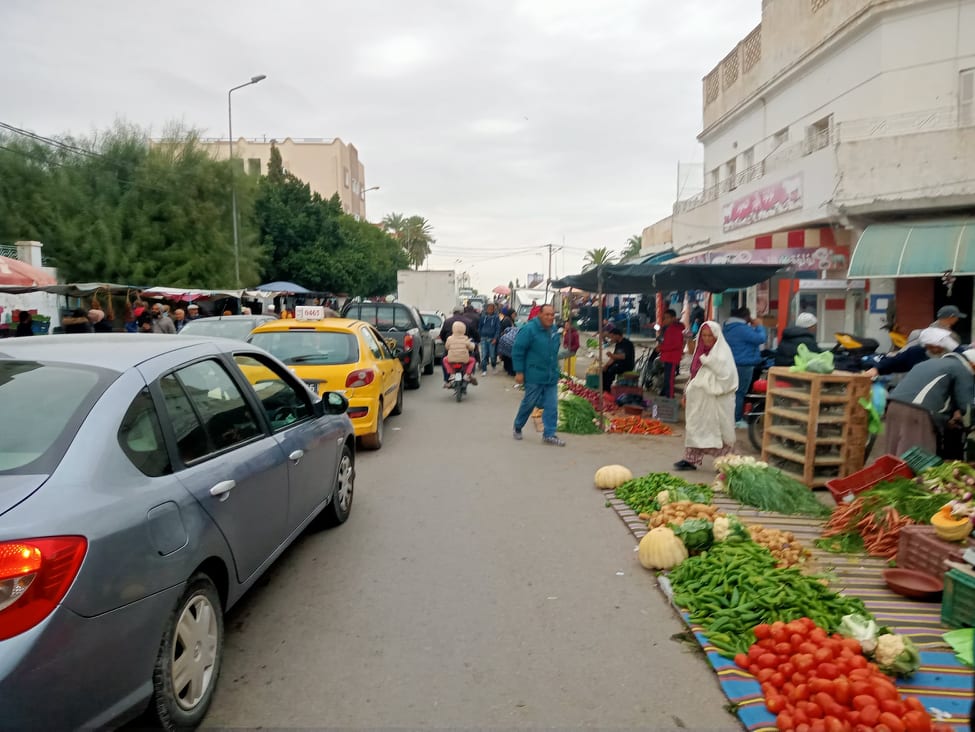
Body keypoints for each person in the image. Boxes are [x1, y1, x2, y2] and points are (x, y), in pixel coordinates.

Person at [885, 349, 975, 457]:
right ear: (972, 364)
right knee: (918, 459)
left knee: (893, 455)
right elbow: (967, 406)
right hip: (918, 410)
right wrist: (969, 424)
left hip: (893, 405)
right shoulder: (962, 369)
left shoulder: (930, 363)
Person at [674, 321, 738, 471]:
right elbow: (693, 375)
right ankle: (690, 459)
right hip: (699, 399)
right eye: (704, 335)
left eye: (710, 335)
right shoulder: (699, 351)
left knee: (719, 429)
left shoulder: (723, 353)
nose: (707, 339)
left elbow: (727, 378)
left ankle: (725, 461)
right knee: (695, 426)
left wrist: (709, 363)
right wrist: (686, 393)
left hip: (717, 401)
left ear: (717, 336)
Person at [512, 303, 565, 446]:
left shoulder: (554, 330)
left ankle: (549, 434)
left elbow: (554, 350)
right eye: (547, 314)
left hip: (550, 375)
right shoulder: (529, 329)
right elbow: (518, 350)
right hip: (534, 374)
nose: (550, 317)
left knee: (552, 405)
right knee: (529, 403)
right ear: (540, 314)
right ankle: (518, 426)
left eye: (552, 315)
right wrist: (519, 371)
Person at [723, 307, 767, 428]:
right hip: (743, 364)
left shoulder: (727, 327)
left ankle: (729, 418)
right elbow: (761, 339)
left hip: (731, 363)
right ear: (746, 317)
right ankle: (736, 420)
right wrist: (759, 326)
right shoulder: (742, 328)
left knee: (731, 392)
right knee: (739, 393)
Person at [863, 327, 958, 377]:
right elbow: (894, 361)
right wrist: (876, 369)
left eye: (938, 347)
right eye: (930, 346)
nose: (935, 350)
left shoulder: (952, 356)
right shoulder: (916, 353)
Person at [657, 309, 685, 398]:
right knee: (667, 379)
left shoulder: (676, 329)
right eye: (664, 318)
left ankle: (670, 398)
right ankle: (667, 397)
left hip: (672, 357)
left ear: (673, 318)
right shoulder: (669, 329)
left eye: (667, 318)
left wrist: (661, 348)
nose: (665, 320)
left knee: (669, 380)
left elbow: (676, 345)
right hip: (667, 357)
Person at [442, 321, 478, 386]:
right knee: (473, 360)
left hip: (451, 359)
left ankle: (452, 374)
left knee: (444, 359)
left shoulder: (449, 338)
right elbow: (471, 348)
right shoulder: (465, 338)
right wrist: (473, 345)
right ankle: (467, 374)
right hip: (464, 360)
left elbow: (446, 347)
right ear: (464, 330)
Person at [602, 327, 635, 393]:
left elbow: (623, 356)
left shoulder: (627, 343)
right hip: (618, 363)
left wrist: (612, 355)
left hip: (626, 365)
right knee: (604, 371)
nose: (611, 339)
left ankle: (607, 391)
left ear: (617, 335)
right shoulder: (618, 344)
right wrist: (606, 365)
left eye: (612, 337)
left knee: (611, 370)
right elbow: (613, 358)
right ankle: (605, 390)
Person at [478, 302, 501, 375]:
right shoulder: (483, 317)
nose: (490, 310)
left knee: (492, 355)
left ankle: (493, 366)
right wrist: (480, 335)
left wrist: (495, 338)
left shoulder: (496, 317)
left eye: (492, 308)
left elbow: (498, 329)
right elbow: (480, 327)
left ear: (494, 309)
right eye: (489, 308)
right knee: (484, 355)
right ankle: (484, 370)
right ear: (486, 309)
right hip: (483, 338)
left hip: (492, 339)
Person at [498, 309, 518, 377]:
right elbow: (507, 330)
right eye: (514, 314)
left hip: (505, 339)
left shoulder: (508, 319)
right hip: (507, 339)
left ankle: (507, 369)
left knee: (506, 355)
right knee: (509, 356)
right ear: (510, 314)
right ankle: (510, 371)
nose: (515, 316)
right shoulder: (507, 320)